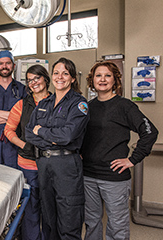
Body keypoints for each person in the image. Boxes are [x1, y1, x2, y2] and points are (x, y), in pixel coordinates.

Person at [81, 61, 158, 240]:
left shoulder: (125, 106)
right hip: (88, 175)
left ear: (115, 80)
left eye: (108, 75)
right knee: (91, 222)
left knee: (117, 225)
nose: (103, 79)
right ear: (92, 80)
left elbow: (150, 132)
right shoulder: (88, 106)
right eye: (98, 75)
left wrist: (132, 159)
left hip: (114, 177)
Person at [25, 57, 89, 240]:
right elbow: (29, 133)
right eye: (56, 73)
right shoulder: (44, 103)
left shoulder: (78, 104)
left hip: (66, 165)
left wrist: (42, 131)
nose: (60, 77)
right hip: (44, 164)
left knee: (69, 220)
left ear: (73, 78)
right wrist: (52, 138)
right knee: (49, 221)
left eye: (65, 73)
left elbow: (67, 136)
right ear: (51, 77)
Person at [4, 65, 51, 240]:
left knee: (49, 207)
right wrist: (24, 145)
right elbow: (9, 131)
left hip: (50, 164)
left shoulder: (57, 102)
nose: (34, 83)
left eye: (37, 78)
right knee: (30, 207)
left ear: (45, 79)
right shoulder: (21, 105)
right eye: (30, 80)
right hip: (28, 164)